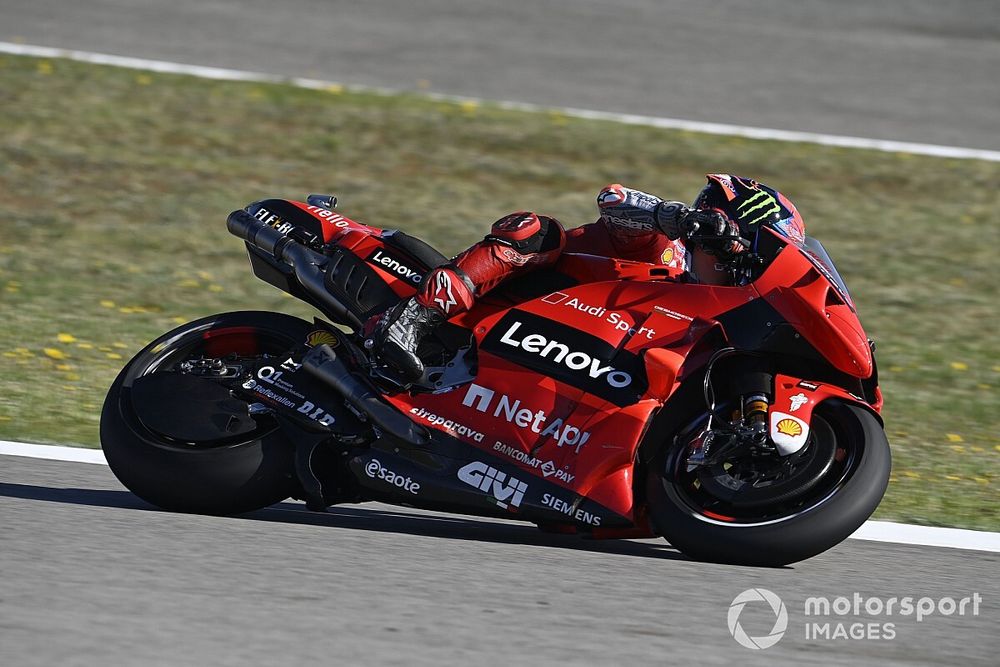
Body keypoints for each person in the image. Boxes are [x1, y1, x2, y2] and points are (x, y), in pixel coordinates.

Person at [368, 174, 805, 383]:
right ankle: (412, 320)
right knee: (537, 232)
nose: (745, 260)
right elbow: (612, 199)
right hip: (499, 309)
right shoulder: (663, 248)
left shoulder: (704, 309)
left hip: (550, 373)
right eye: (748, 246)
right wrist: (678, 218)